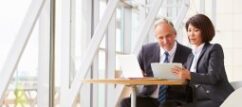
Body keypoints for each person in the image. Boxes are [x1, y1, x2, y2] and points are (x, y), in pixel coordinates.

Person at [120, 18, 192, 107]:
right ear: (156, 38)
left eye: (168, 36)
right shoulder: (146, 50)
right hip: (149, 97)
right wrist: (135, 75)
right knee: (125, 103)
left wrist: (186, 76)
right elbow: (131, 73)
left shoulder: (188, 53)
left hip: (174, 99)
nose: (165, 41)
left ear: (175, 34)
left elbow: (192, 80)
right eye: (161, 38)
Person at [172, 14, 234, 107]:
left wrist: (189, 75)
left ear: (205, 31)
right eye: (189, 30)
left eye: (196, 30)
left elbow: (212, 77)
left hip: (216, 98)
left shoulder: (214, 49)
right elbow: (184, 75)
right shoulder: (191, 56)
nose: (191, 34)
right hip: (198, 98)